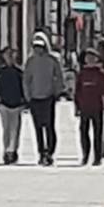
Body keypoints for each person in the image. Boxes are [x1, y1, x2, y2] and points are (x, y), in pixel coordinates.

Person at [24, 31, 66, 166]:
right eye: (35, 46)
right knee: (37, 128)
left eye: (40, 46)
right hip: (34, 98)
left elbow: (59, 76)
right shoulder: (30, 61)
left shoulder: (53, 60)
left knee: (49, 126)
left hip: (48, 97)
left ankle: (50, 152)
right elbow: (26, 80)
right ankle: (41, 152)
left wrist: (57, 92)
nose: (38, 49)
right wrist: (28, 96)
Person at [74, 48, 104, 165]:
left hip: (97, 107)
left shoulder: (101, 74)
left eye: (92, 58)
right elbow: (78, 91)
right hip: (84, 108)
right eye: (88, 58)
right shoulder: (82, 74)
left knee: (98, 133)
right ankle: (85, 155)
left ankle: (97, 157)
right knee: (83, 132)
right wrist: (77, 106)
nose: (90, 60)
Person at [0, 46, 25, 164]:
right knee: (6, 129)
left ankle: (13, 151)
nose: (9, 57)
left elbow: (23, 87)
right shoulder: (0, 72)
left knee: (15, 129)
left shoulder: (18, 72)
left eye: (11, 55)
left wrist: (24, 102)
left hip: (16, 104)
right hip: (4, 104)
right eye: (7, 55)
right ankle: (7, 150)